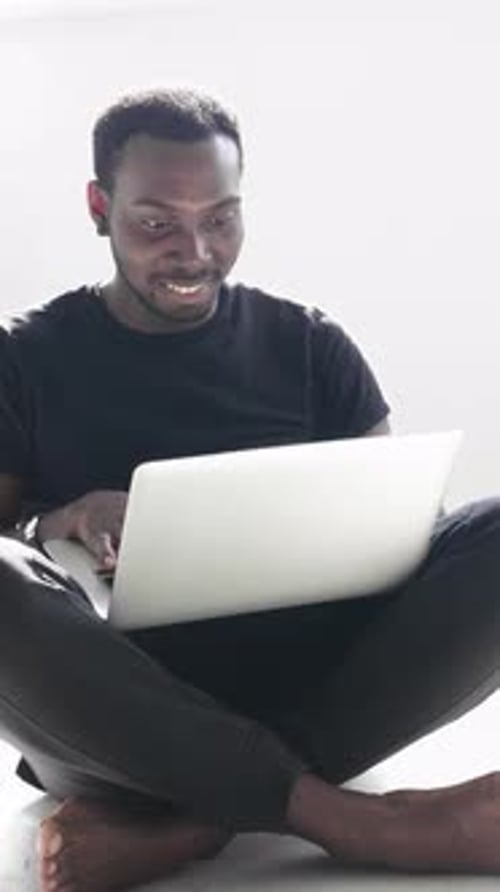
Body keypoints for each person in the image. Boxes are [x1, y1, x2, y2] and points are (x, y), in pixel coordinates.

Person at [1, 88, 500, 892]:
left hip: (317, 688)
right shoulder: (24, 360)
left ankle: (193, 826)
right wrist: (64, 516)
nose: (194, 251)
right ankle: (355, 820)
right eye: (157, 222)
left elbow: (411, 539)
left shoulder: (310, 343)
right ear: (100, 207)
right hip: (119, 724)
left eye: (221, 218)